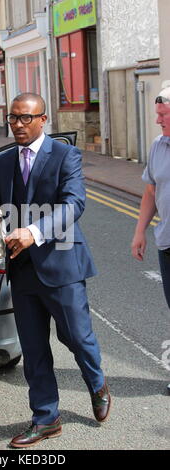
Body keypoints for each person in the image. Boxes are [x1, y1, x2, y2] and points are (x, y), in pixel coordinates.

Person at [0, 93, 111, 448]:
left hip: (62, 265)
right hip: (22, 270)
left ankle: (96, 382)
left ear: (42, 119)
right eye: (13, 119)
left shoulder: (66, 155)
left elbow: (74, 203)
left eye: (25, 118)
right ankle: (46, 418)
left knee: (77, 338)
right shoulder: (4, 162)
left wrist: (33, 232)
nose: (17, 125)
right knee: (34, 349)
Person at [131, 86, 170, 395]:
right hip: (167, 243)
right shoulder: (158, 146)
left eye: (163, 114)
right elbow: (151, 191)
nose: (158, 120)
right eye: (157, 114)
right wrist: (140, 231)